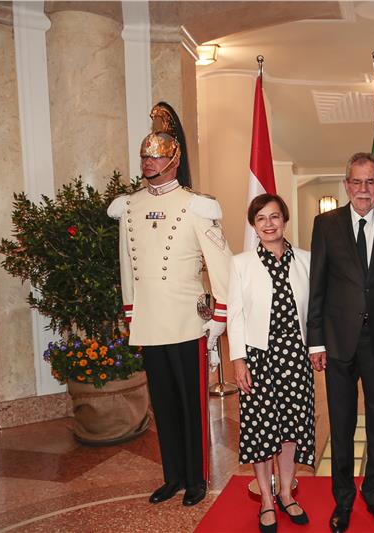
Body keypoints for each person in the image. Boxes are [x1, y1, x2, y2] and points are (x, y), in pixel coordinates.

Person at [107, 124, 231, 507]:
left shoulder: (196, 205)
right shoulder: (129, 206)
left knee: (192, 406)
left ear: (174, 161)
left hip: (186, 321)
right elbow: (127, 267)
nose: (149, 162)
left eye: (157, 155)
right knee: (163, 406)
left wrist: (219, 317)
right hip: (149, 322)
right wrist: (131, 313)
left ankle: (196, 478)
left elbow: (222, 265)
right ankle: (173, 476)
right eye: (145, 156)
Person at [307, 152, 374, 533]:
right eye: (357, 181)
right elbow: (317, 285)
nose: (363, 189)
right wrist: (315, 342)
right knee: (342, 424)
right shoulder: (326, 224)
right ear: (346, 185)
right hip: (338, 341)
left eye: (370, 182)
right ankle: (344, 499)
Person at [228, 194, 314, 532]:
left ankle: (287, 494)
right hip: (258, 358)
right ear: (254, 225)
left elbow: (314, 311)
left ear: (284, 220)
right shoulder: (241, 264)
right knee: (262, 431)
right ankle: (266, 499)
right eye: (261, 218)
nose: (268, 223)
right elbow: (235, 315)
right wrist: (238, 360)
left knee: (291, 429)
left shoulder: (305, 260)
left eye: (274, 216)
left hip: (296, 356)